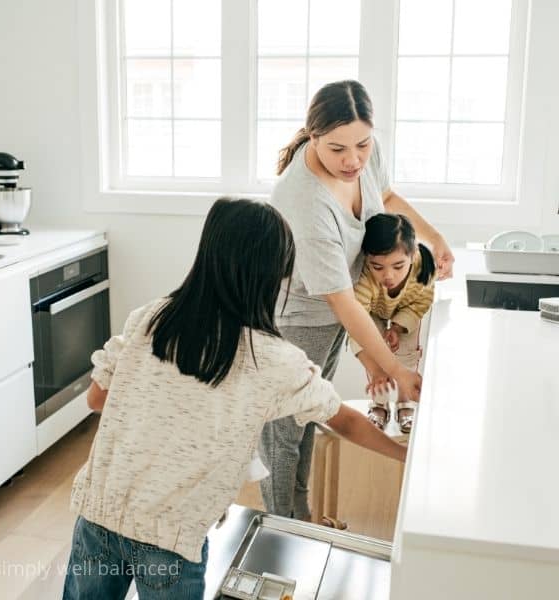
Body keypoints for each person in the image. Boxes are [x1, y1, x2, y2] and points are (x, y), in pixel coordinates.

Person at [62, 197, 407, 600]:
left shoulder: (151, 318)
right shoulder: (272, 360)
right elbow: (340, 417)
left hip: (100, 516)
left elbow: (97, 398)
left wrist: (159, 416)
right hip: (171, 538)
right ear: (275, 277)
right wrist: (404, 455)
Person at [259, 80, 454, 522]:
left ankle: (302, 521)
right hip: (296, 321)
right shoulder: (305, 201)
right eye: (337, 149)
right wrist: (395, 369)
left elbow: (384, 196)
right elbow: (345, 304)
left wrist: (434, 236)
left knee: (309, 417)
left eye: (362, 144)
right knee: (284, 433)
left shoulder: (364, 153)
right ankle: (282, 528)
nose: (353, 160)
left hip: (330, 314)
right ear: (313, 138)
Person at [351, 213, 436, 434]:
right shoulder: (363, 279)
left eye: (398, 266)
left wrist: (398, 327)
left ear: (413, 254)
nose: (388, 275)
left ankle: (404, 402)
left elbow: (420, 304)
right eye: (377, 267)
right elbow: (356, 326)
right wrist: (377, 371)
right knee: (375, 352)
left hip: (407, 308)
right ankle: (379, 405)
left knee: (407, 351)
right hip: (370, 309)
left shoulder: (423, 269)